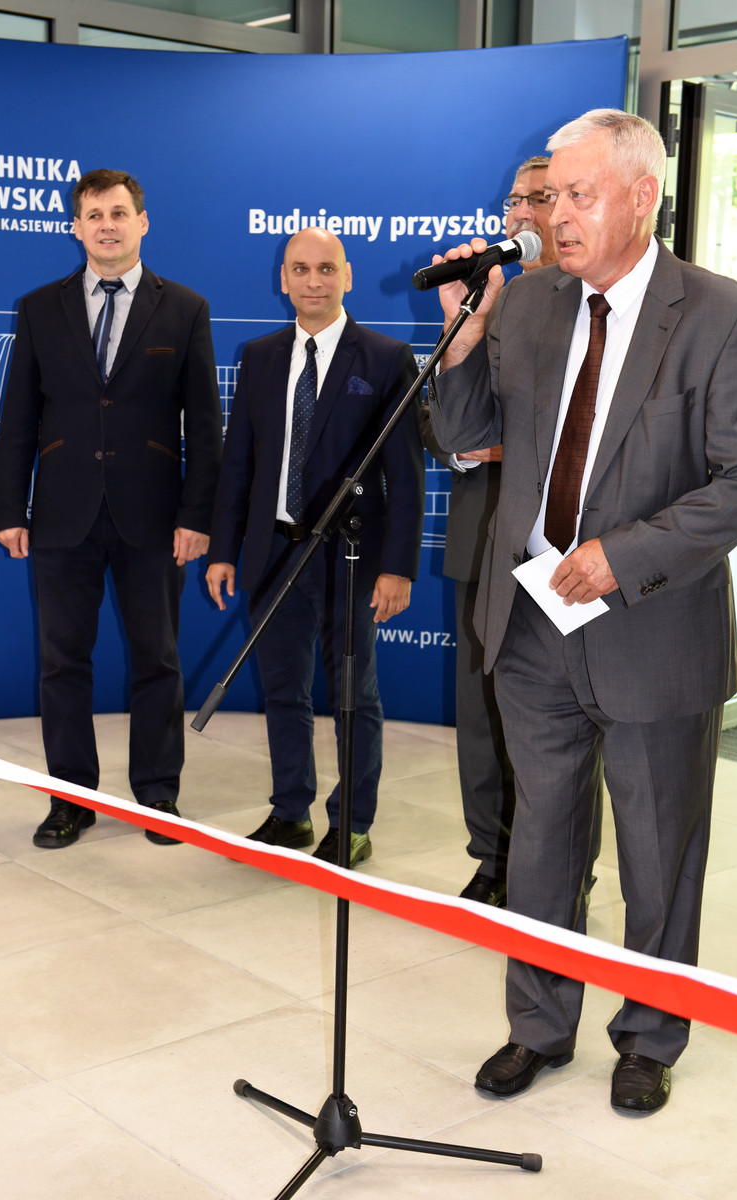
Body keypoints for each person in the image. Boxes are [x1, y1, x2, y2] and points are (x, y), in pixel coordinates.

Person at [428, 109, 737, 1113]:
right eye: (549, 198)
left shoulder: (722, 314)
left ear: (641, 197)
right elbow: (462, 438)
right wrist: (466, 334)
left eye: (578, 196)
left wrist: (620, 558)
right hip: (532, 624)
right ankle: (539, 1027)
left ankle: (650, 1036)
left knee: (658, 850)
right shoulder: (530, 305)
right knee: (541, 840)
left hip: (652, 630)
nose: (555, 217)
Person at [0, 168, 222, 850]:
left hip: (153, 517)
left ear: (142, 222)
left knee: (158, 659)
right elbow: (18, 419)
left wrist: (198, 515)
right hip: (61, 516)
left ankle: (158, 796)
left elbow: (204, 424)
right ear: (76, 227)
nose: (107, 226)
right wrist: (9, 508)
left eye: (119, 213)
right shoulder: (40, 307)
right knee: (62, 662)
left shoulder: (185, 308)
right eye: (93, 215)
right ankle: (71, 800)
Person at [206, 227, 424, 868]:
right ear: (283, 279)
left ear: (347, 276)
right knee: (282, 691)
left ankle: (351, 823)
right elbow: (238, 464)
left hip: (350, 558)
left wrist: (398, 567)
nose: (313, 281)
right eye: (300, 269)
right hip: (273, 553)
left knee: (354, 696)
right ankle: (290, 812)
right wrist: (224, 549)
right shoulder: (259, 356)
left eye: (326, 268)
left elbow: (406, 476)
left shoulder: (385, 358)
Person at [421, 155, 565, 907]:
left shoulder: (591, 304)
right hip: (482, 540)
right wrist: (463, 444)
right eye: (513, 199)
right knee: (481, 714)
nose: (520, 213)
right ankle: (492, 856)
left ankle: (556, 863)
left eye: (538, 197)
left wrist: (508, 446)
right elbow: (433, 412)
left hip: (562, 553)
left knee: (554, 723)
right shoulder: (488, 296)